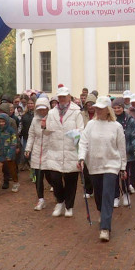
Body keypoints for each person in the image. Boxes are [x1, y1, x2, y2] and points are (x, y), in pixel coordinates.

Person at [78, 96, 127, 242]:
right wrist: (81, 158)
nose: (97, 110)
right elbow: (83, 142)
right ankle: (101, 212)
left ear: (108, 110)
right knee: (98, 194)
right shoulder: (91, 125)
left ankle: (105, 227)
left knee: (107, 195)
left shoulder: (116, 126)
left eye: (100, 108)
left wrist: (123, 167)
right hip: (94, 165)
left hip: (111, 165)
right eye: (96, 108)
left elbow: (121, 148)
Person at [44, 86, 84, 218]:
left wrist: (75, 134)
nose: (62, 99)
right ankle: (60, 201)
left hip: (71, 150)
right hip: (55, 150)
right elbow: (47, 131)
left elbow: (82, 130)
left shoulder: (76, 111)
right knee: (54, 179)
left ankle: (69, 206)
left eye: (64, 96)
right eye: (60, 97)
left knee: (70, 180)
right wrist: (44, 128)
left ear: (69, 97)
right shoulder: (51, 113)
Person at [24, 97, 51, 210]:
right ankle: (41, 199)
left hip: (48, 152)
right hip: (36, 152)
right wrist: (28, 149)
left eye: (44, 109)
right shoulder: (34, 120)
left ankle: (59, 195)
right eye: (39, 109)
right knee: (38, 177)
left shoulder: (52, 119)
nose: (42, 111)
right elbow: (31, 135)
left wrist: (46, 128)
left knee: (50, 177)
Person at [112, 97, 135, 207]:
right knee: (114, 176)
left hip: (126, 151)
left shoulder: (129, 119)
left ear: (123, 107)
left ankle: (126, 193)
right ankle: (116, 196)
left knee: (124, 174)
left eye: (119, 107)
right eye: (115, 108)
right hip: (113, 151)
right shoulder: (111, 119)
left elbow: (134, 135)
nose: (117, 110)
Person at [0, 114, 19, 197]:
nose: (2, 123)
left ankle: (15, 182)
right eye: (0, 122)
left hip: (9, 154)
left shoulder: (11, 131)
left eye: (3, 121)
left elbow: (14, 143)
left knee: (12, 170)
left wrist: (10, 154)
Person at [80, 94, 97, 198]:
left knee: (95, 167)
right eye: (88, 104)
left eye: (92, 104)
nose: (90, 106)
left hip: (96, 144)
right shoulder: (81, 114)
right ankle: (88, 189)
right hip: (85, 143)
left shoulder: (99, 114)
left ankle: (97, 187)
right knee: (86, 169)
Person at [19, 98, 35, 170]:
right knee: (26, 154)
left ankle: (33, 171)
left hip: (35, 138)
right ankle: (27, 165)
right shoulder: (24, 114)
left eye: (32, 103)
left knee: (33, 155)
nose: (30, 105)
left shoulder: (37, 114)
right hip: (25, 137)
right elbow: (21, 126)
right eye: (29, 103)